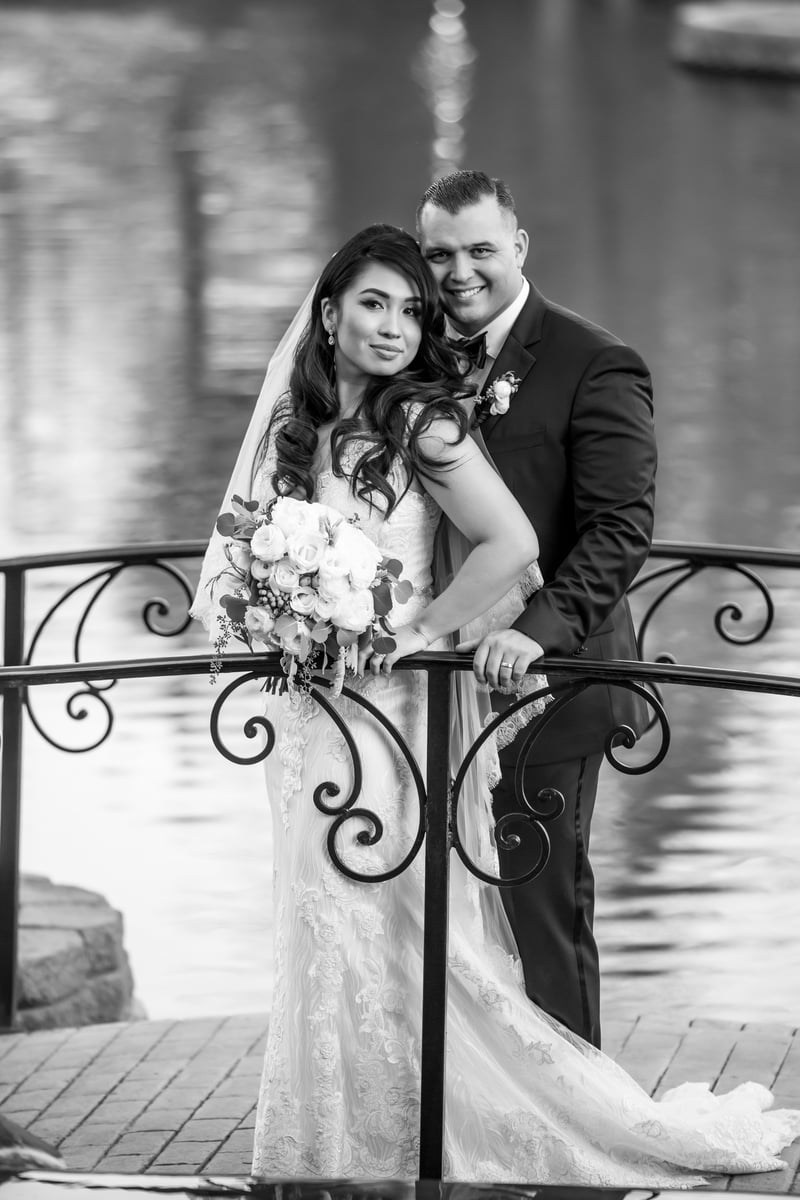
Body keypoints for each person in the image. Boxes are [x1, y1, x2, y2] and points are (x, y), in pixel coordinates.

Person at [193, 224, 800, 1184]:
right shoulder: (291, 430)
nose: (394, 327)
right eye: (373, 304)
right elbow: (242, 561)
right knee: (321, 919)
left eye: (410, 310)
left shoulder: (421, 422)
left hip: (394, 710)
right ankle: (334, 1138)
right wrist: (282, 614)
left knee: (401, 920)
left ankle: (444, 1131)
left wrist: (415, 630)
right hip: (314, 714)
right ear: (328, 313)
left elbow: (512, 543)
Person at [417, 170, 657, 1050]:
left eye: (480, 249)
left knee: (539, 910)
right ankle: (462, 1108)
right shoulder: (410, 355)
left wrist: (533, 634)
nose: (459, 273)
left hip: (546, 686)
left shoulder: (593, 360)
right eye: (439, 254)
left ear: (518, 246)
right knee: (442, 915)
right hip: (429, 687)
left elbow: (620, 530)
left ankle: (576, 1117)